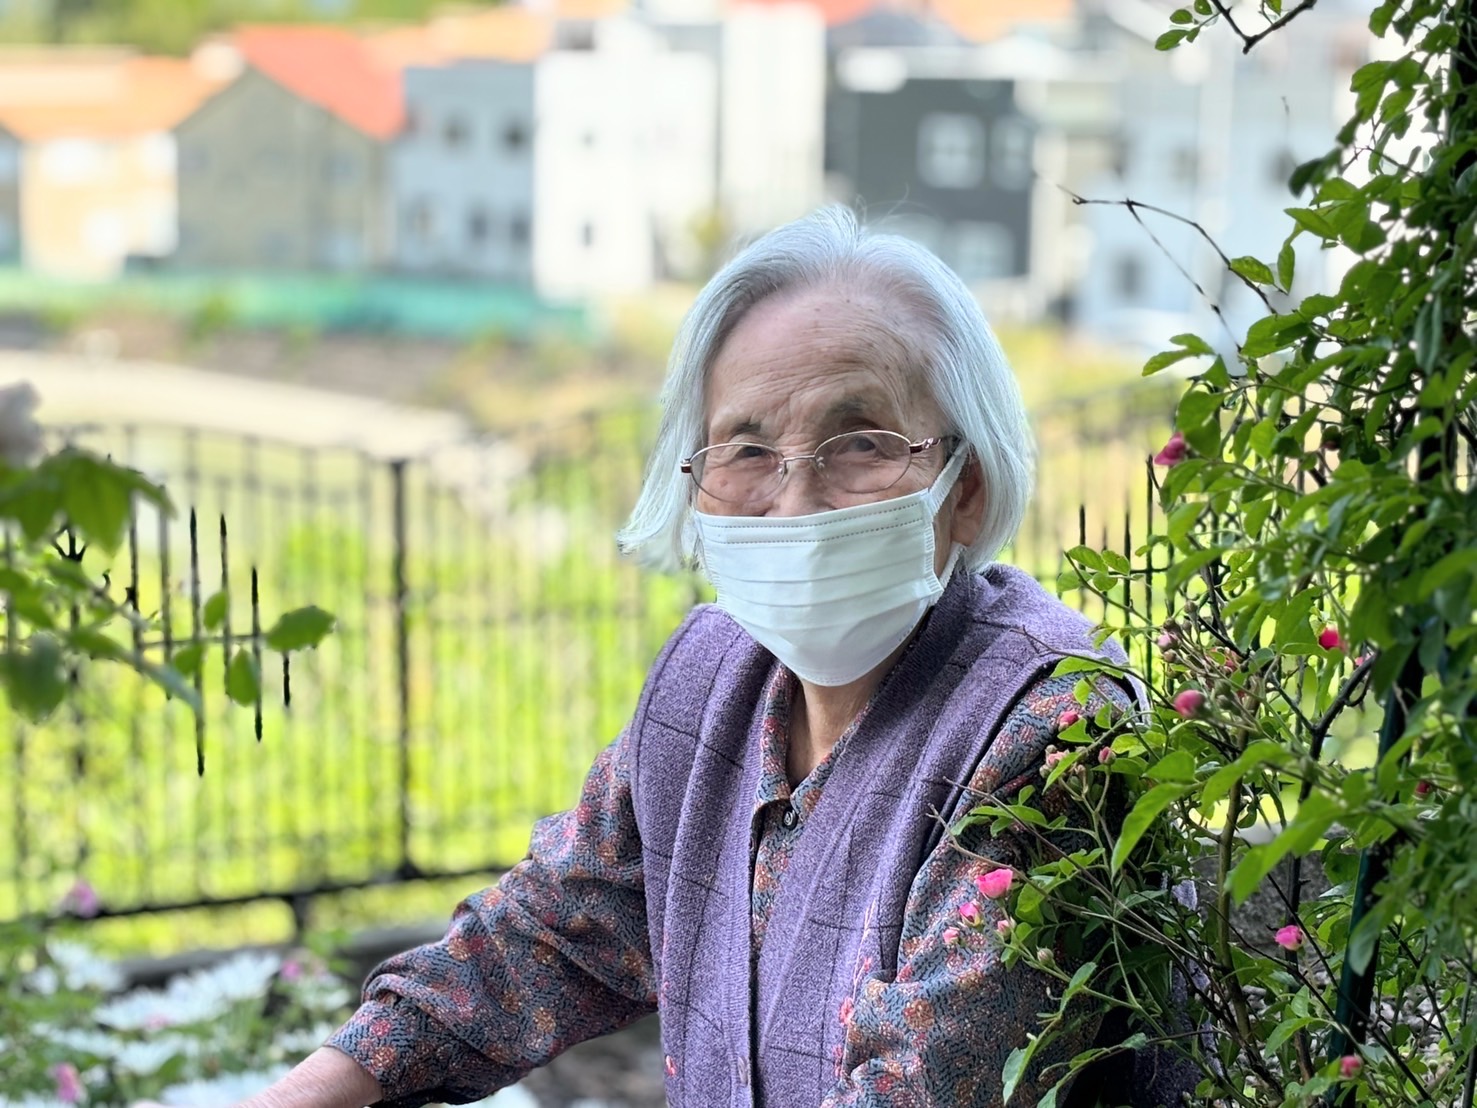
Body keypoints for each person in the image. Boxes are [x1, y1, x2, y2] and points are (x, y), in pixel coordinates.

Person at [234, 207, 1185, 1108]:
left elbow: (930, 1083)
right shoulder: (709, 680)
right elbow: (561, 926)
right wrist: (329, 1080)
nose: (795, 503)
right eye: (747, 451)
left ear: (963, 488)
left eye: (859, 444)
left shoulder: (1052, 725)